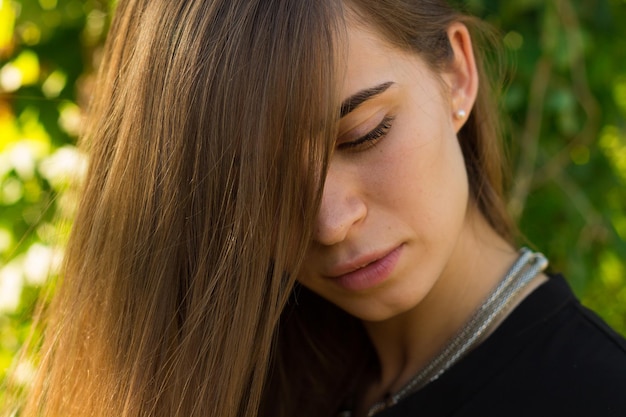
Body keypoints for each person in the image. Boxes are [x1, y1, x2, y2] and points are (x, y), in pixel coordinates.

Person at [10, 0, 626, 416]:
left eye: (365, 134)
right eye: (257, 182)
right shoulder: (247, 374)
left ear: (456, 75)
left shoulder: (595, 394)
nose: (331, 224)